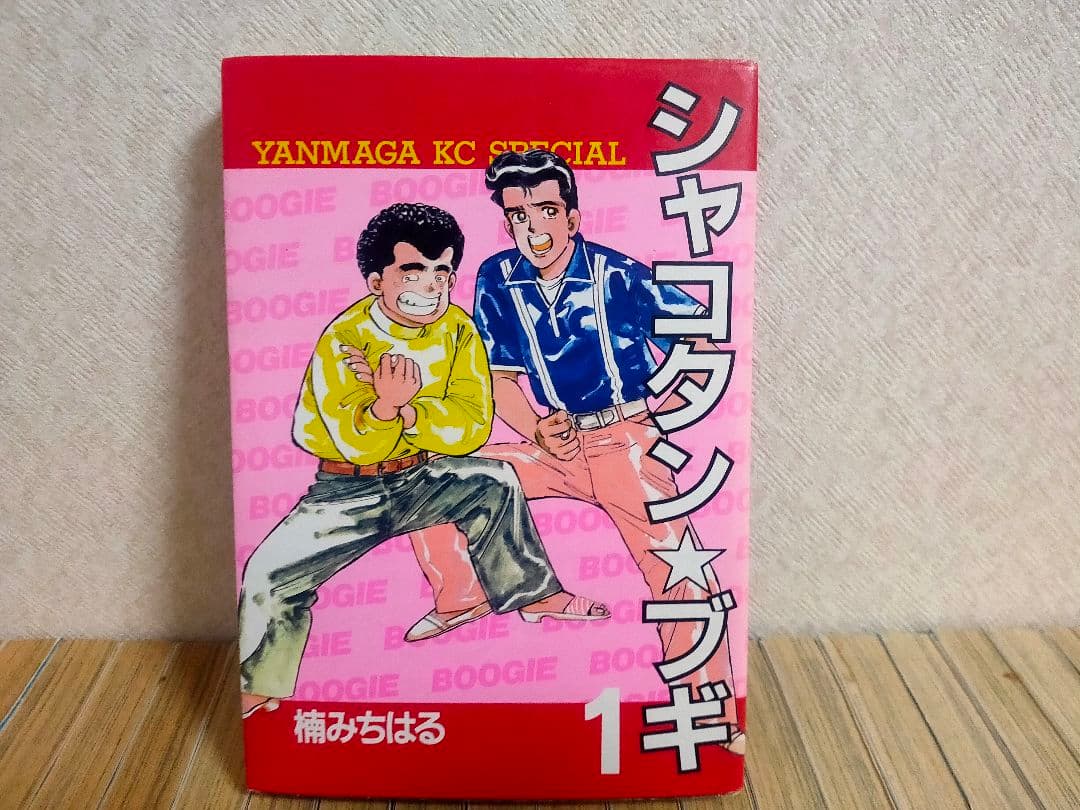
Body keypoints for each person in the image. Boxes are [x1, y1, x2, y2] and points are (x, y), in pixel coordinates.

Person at [345, 152, 743, 753]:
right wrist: (535, 427)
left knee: (679, 571)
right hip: (555, 443)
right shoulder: (496, 277)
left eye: (548, 211)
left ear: (573, 217)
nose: (534, 228)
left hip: (625, 442)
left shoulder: (618, 275)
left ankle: (711, 715)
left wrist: (661, 413)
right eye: (518, 215)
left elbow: (704, 331)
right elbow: (501, 376)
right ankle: (467, 595)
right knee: (431, 473)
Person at [238, 202, 608, 718]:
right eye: (414, 271)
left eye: (442, 272)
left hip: (419, 477)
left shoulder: (457, 328)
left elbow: (471, 425)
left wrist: (403, 409)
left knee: (494, 480)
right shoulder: (345, 337)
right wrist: (383, 409)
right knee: (268, 575)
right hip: (345, 493)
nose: (431, 285)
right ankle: (259, 684)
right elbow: (356, 443)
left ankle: (533, 593)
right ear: (377, 281)